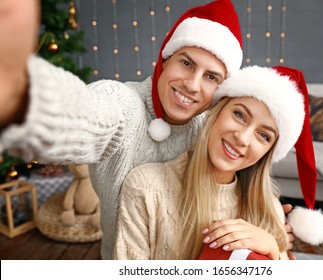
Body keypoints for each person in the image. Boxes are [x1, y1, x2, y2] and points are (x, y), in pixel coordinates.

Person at [0, 0, 304, 259]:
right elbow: (81, 115)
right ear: (164, 58)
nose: (193, 85)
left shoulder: (214, 125)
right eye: (186, 63)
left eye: (212, 77)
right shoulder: (122, 105)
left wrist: (273, 240)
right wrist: (18, 96)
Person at [113, 65, 323, 260]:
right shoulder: (145, 186)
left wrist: (273, 251)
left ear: (268, 152)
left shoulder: (270, 208)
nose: (242, 138)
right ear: (216, 112)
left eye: (264, 136)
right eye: (240, 115)